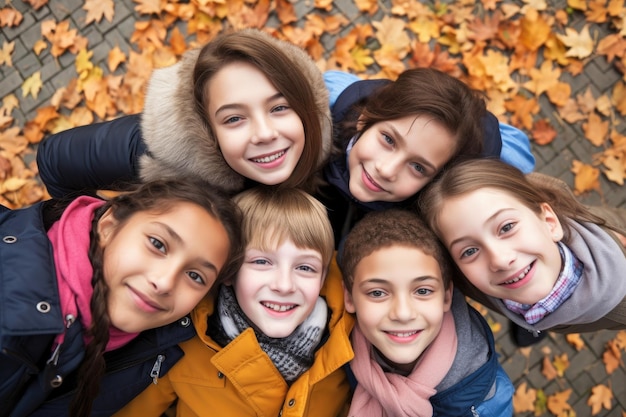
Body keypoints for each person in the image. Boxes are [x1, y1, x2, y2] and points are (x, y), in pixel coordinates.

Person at [1, 178, 244, 417]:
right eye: (158, 244)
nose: (164, 283)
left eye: (195, 276)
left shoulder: (151, 355)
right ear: (108, 226)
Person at [114, 187, 354, 417]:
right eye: (261, 262)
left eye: (304, 267)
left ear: (323, 277)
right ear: (229, 271)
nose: (284, 285)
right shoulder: (182, 347)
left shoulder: (349, 343)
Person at [36, 28, 332, 197]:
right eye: (234, 118)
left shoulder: (331, 153)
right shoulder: (150, 152)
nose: (266, 134)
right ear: (206, 131)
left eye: (279, 107)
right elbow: (54, 160)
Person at [319, 68, 535, 244]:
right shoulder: (328, 106)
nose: (386, 170)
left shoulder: (432, 211)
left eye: (418, 167)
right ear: (364, 119)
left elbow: (520, 160)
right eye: (388, 140)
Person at [419, 158, 626, 338]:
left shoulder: (618, 304)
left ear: (550, 222)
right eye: (470, 251)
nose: (499, 259)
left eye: (507, 227)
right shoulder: (465, 275)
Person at [338, 208, 514, 417]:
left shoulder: (489, 400)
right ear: (349, 297)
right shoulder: (336, 351)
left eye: (422, 291)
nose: (403, 314)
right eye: (377, 293)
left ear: (447, 296)